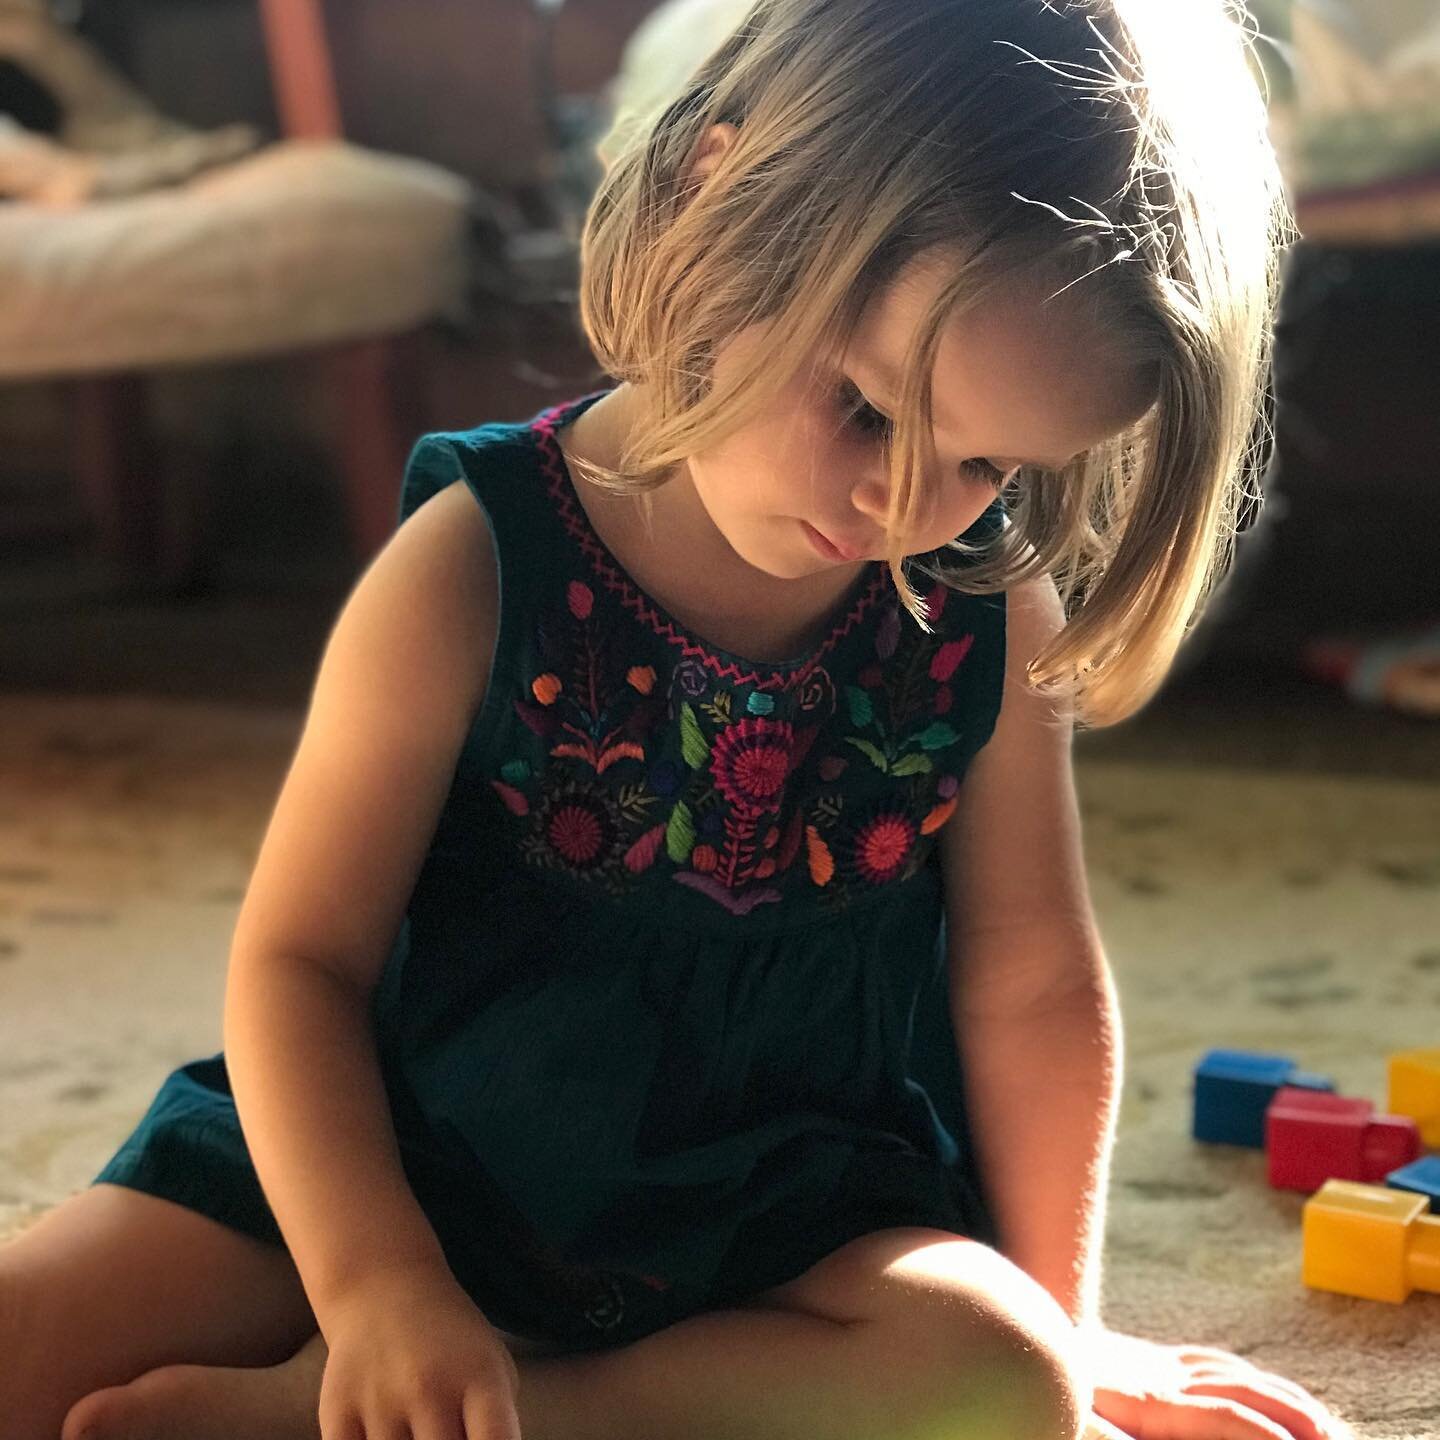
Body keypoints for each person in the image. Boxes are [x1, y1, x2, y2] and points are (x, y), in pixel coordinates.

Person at [1, 1, 1357, 1438]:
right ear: (724, 204)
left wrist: (1074, 1325)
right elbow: (297, 966)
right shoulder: (472, 564)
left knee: (1002, 1383)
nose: (906, 507)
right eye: (867, 412)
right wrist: (380, 1289)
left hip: (783, 1206)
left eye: (983, 462)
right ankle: (400, 1376)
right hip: (408, 1151)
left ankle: (493, 1411)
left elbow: (1031, 977)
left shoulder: (978, 601)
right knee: (26, 1347)